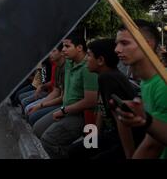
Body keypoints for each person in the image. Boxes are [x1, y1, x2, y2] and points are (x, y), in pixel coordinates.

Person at [67, 39, 144, 159]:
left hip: (125, 139)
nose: (86, 59)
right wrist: (94, 137)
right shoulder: (104, 76)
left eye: (89, 55)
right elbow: (100, 109)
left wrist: (130, 155)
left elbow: (121, 120)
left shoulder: (109, 79)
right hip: (111, 135)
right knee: (75, 150)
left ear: (100, 60)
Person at [33, 31, 98, 158]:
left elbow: (90, 101)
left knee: (48, 140)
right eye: (62, 46)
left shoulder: (88, 68)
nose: (63, 50)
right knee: (37, 128)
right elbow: (58, 89)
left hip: (82, 115)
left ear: (79, 48)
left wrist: (63, 111)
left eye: (67, 46)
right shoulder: (69, 62)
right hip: (66, 108)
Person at [114, 19, 167, 159]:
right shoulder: (146, 82)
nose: (117, 49)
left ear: (147, 44)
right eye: (117, 44)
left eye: (124, 43)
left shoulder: (162, 84)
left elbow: (152, 147)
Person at [27, 44, 66, 126]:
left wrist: (40, 105)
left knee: (29, 109)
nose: (50, 54)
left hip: (54, 97)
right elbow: (39, 81)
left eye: (53, 51)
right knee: (25, 103)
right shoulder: (56, 66)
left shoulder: (53, 64)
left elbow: (40, 81)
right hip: (50, 93)